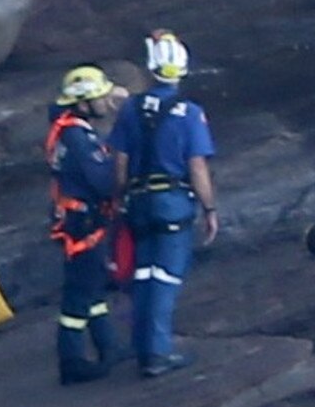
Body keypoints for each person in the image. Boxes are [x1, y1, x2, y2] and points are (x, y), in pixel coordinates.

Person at [108, 29, 217, 378]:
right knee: (165, 277)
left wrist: (121, 196)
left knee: (143, 275)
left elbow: (120, 160)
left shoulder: (131, 109)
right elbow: (196, 165)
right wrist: (209, 208)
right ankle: (156, 354)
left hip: (138, 201)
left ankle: (143, 345)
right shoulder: (189, 113)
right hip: (172, 202)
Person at [45, 64, 125, 385]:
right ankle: (72, 360)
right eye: (99, 98)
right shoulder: (78, 139)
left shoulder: (69, 130)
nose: (105, 103)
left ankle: (109, 346)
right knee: (79, 296)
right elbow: (103, 181)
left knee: (93, 291)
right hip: (83, 224)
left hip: (80, 220)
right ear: (82, 104)